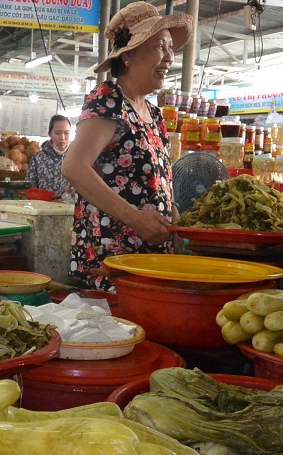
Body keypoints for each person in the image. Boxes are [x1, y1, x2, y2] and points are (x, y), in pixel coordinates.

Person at [61, 2, 192, 290]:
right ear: (129, 54)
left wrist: (174, 219)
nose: (170, 57)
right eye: (160, 46)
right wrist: (135, 219)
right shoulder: (109, 98)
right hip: (113, 256)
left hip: (150, 255)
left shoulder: (154, 113)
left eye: (171, 48)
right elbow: (73, 167)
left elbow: (156, 179)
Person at [26, 115, 72, 196]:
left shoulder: (77, 158)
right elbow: (29, 187)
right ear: (50, 134)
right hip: (43, 206)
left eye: (66, 133)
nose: (62, 137)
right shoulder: (38, 159)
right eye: (58, 133)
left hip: (71, 207)